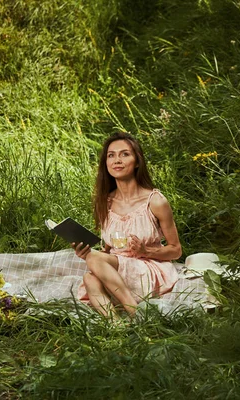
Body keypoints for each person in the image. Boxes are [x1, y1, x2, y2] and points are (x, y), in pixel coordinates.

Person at [73, 132, 181, 319]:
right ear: (106, 164)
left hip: (147, 269)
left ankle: (133, 311)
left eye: (125, 154)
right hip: (119, 272)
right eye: (111, 155)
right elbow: (108, 252)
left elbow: (176, 250)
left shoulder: (155, 201)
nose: (117, 160)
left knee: (94, 260)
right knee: (89, 277)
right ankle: (116, 325)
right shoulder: (104, 202)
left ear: (137, 161)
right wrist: (86, 254)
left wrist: (145, 250)